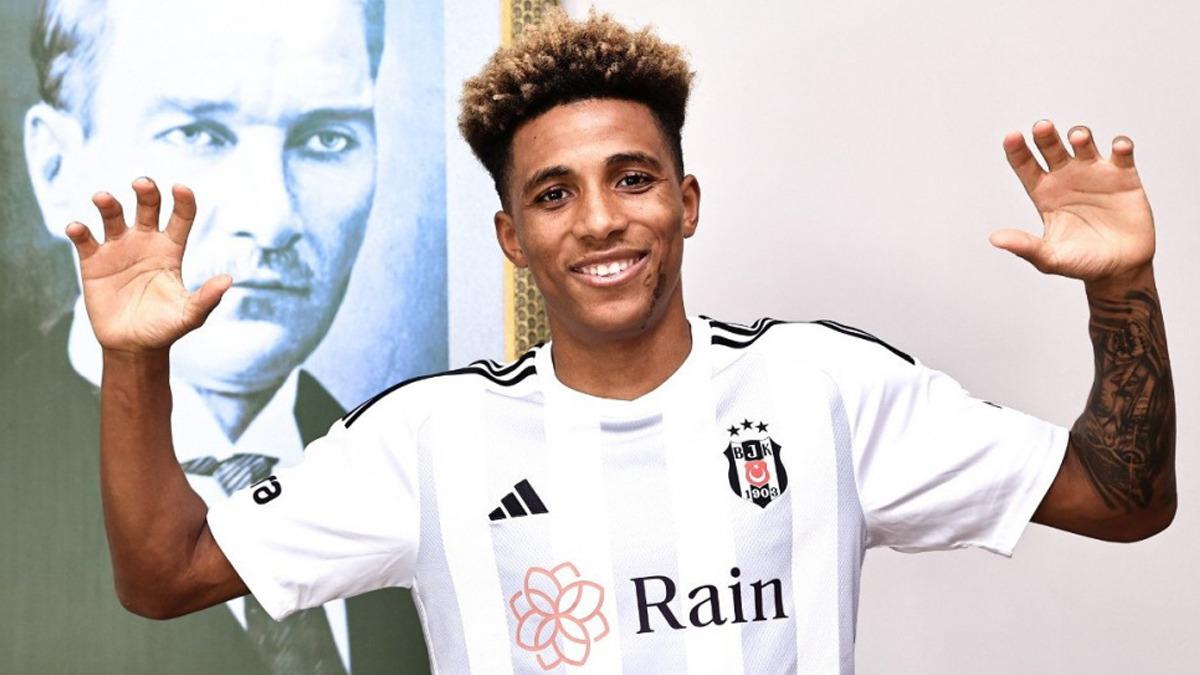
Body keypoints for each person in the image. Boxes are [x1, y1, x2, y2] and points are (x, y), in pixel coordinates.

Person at [65, 11, 1174, 673]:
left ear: (686, 203)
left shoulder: (825, 386)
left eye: (632, 178)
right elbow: (165, 576)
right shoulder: (428, 436)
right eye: (554, 193)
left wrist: (1121, 289)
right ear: (513, 237)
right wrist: (136, 358)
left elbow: (1124, 501)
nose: (599, 220)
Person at [0, 0, 434, 672]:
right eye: (197, 133)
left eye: (326, 139)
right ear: (56, 165)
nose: (274, 218)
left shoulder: (406, 472)